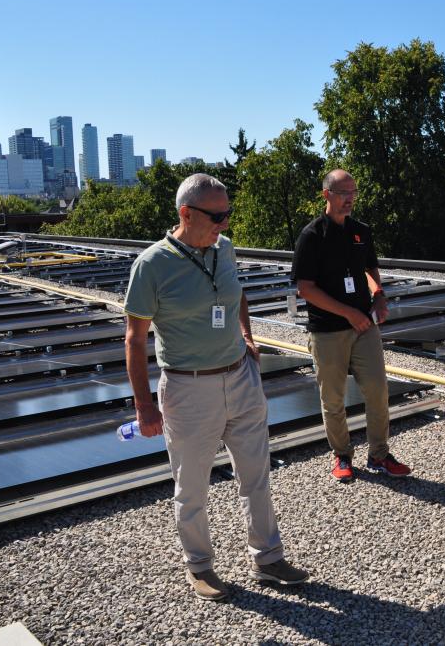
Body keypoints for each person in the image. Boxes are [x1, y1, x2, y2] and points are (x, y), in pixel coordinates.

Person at [124, 173, 308, 602]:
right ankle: (200, 566)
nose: (225, 223)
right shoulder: (151, 265)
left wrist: (246, 336)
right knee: (191, 487)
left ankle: (267, 557)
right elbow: (135, 339)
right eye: (217, 215)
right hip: (189, 389)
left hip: (239, 377)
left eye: (228, 214)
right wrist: (144, 407)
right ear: (186, 214)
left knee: (256, 475)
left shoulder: (224, 249)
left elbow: (235, 295)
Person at [292, 169, 411, 483]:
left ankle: (379, 455)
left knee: (377, 389)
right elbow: (305, 288)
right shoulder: (312, 236)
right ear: (326, 194)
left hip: (364, 326)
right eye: (343, 192)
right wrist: (347, 313)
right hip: (328, 330)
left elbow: (370, 266)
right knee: (333, 398)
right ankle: (342, 455)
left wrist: (379, 294)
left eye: (353, 192)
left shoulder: (361, 231)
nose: (350, 199)